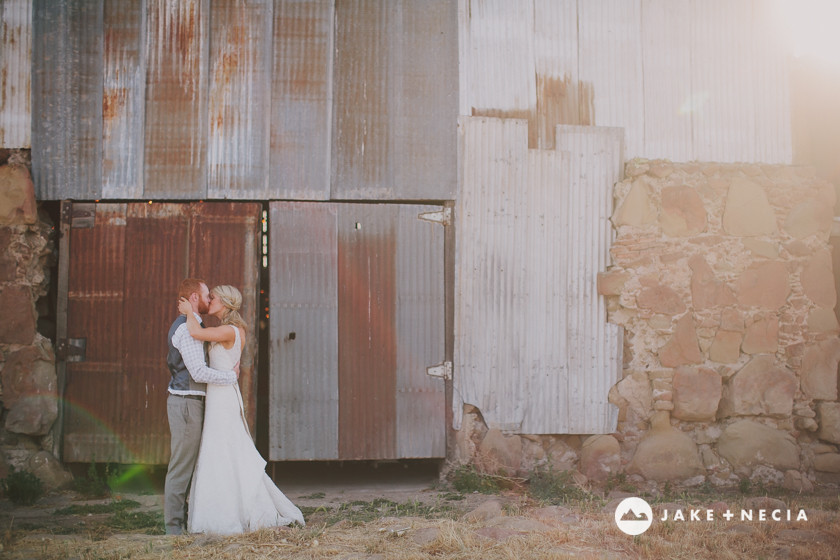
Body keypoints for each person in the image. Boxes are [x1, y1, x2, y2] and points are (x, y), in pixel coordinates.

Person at [177, 284, 305, 534]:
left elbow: (194, 333)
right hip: (220, 392)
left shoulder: (228, 329)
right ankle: (230, 503)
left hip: (223, 397)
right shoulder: (229, 328)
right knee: (223, 447)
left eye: (213, 297)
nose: (209, 300)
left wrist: (188, 312)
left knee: (223, 447)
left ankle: (233, 508)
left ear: (224, 303)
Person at [165, 278, 240, 536]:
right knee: (181, 466)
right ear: (195, 298)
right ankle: (174, 529)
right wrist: (231, 377)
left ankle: (181, 523)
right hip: (186, 403)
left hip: (192, 403)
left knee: (189, 465)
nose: (210, 300)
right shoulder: (187, 329)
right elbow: (197, 371)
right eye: (207, 295)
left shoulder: (195, 325)